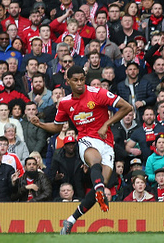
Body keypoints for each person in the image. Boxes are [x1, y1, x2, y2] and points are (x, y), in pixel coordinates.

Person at [30, 65, 133, 235]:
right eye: (75, 80)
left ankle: (71, 220)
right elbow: (57, 127)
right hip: (86, 139)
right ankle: (99, 189)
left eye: (82, 79)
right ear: (68, 81)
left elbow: (127, 107)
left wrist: (107, 123)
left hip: (106, 141)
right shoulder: (65, 103)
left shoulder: (98, 93)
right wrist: (40, 124)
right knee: (95, 162)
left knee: (102, 183)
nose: (79, 83)